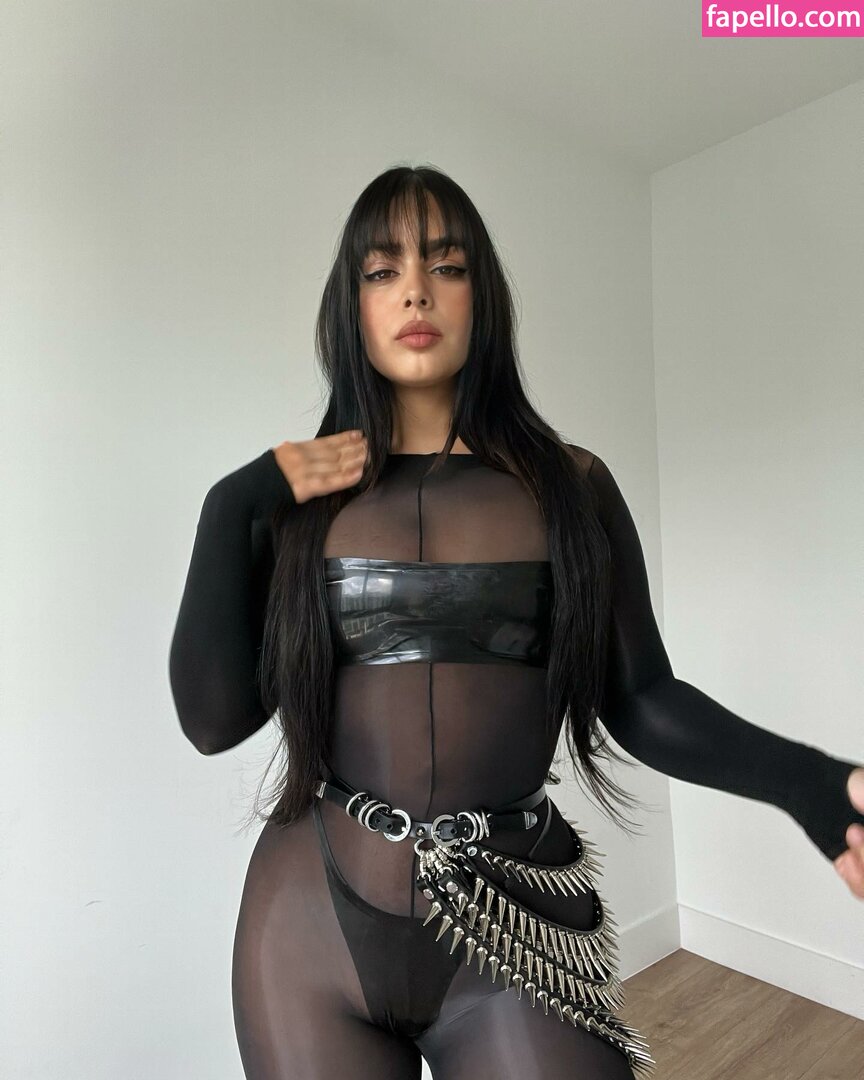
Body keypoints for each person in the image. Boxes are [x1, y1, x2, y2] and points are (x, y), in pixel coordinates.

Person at [168, 165, 864, 1080]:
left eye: (445, 265)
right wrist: (232, 504)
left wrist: (814, 785)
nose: (415, 291)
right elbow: (213, 722)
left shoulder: (571, 487)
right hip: (309, 927)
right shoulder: (286, 506)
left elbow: (641, 697)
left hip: (518, 924)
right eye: (382, 271)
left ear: (483, 296)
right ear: (352, 306)